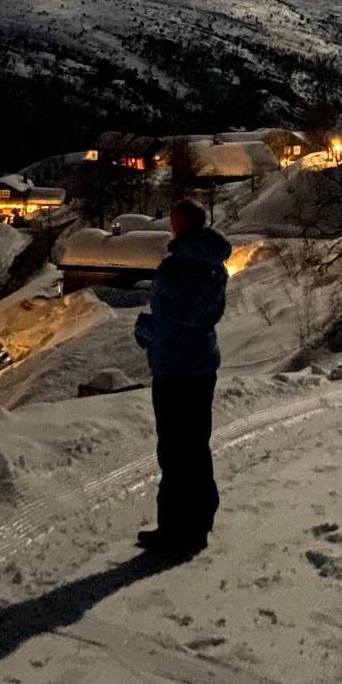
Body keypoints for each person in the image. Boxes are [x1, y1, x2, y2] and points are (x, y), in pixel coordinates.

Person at [133, 199, 231, 555]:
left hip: (174, 369)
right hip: (203, 363)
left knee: (174, 451)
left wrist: (141, 328)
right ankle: (200, 521)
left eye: (174, 218)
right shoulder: (214, 265)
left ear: (180, 225)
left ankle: (175, 529)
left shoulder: (174, 270)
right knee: (196, 445)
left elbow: (163, 326)